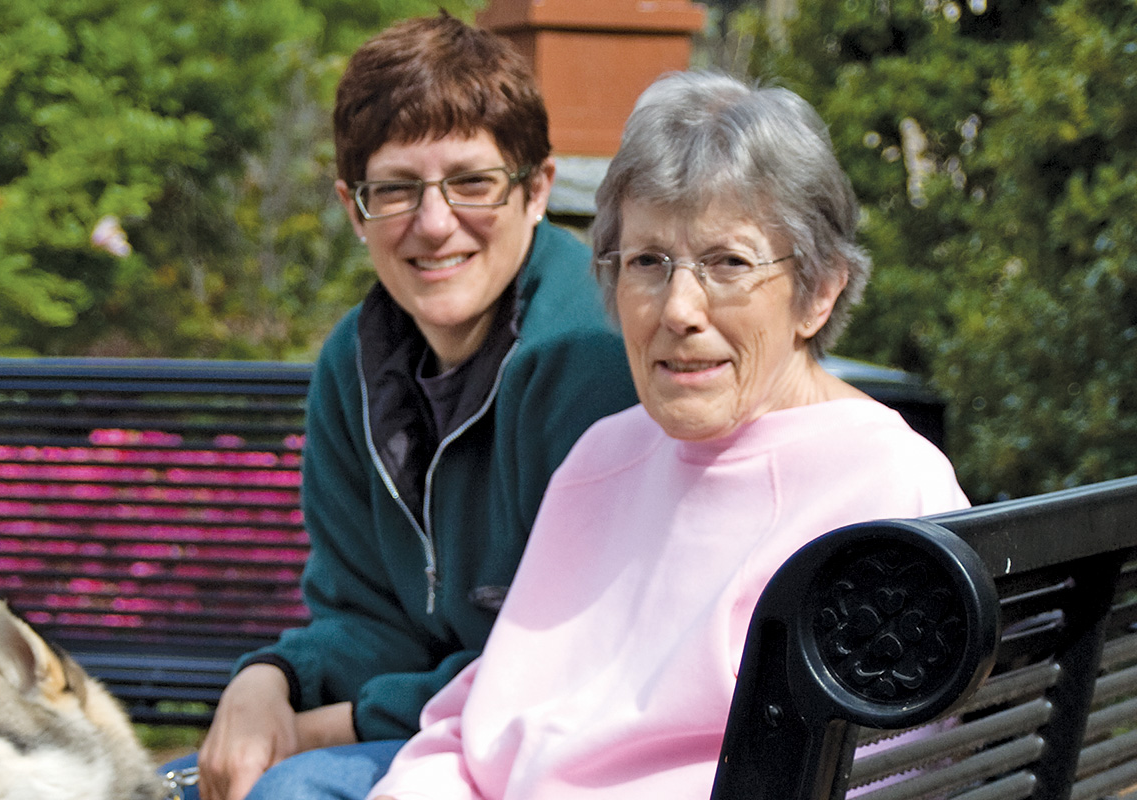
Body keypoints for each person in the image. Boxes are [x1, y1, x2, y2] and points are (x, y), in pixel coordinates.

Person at [367, 69, 970, 800]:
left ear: (818, 290)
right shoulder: (603, 456)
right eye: (649, 262)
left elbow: (885, 775)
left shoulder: (884, 488)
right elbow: (486, 712)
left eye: (728, 263)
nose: (678, 309)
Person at [167, 12, 638, 800]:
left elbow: (569, 657)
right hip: (433, 732)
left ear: (537, 190)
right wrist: (271, 681)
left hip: (566, 753)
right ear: (354, 209)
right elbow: (365, 620)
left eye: (472, 182)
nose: (433, 223)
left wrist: (331, 725)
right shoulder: (353, 364)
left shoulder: (590, 357)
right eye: (394, 189)